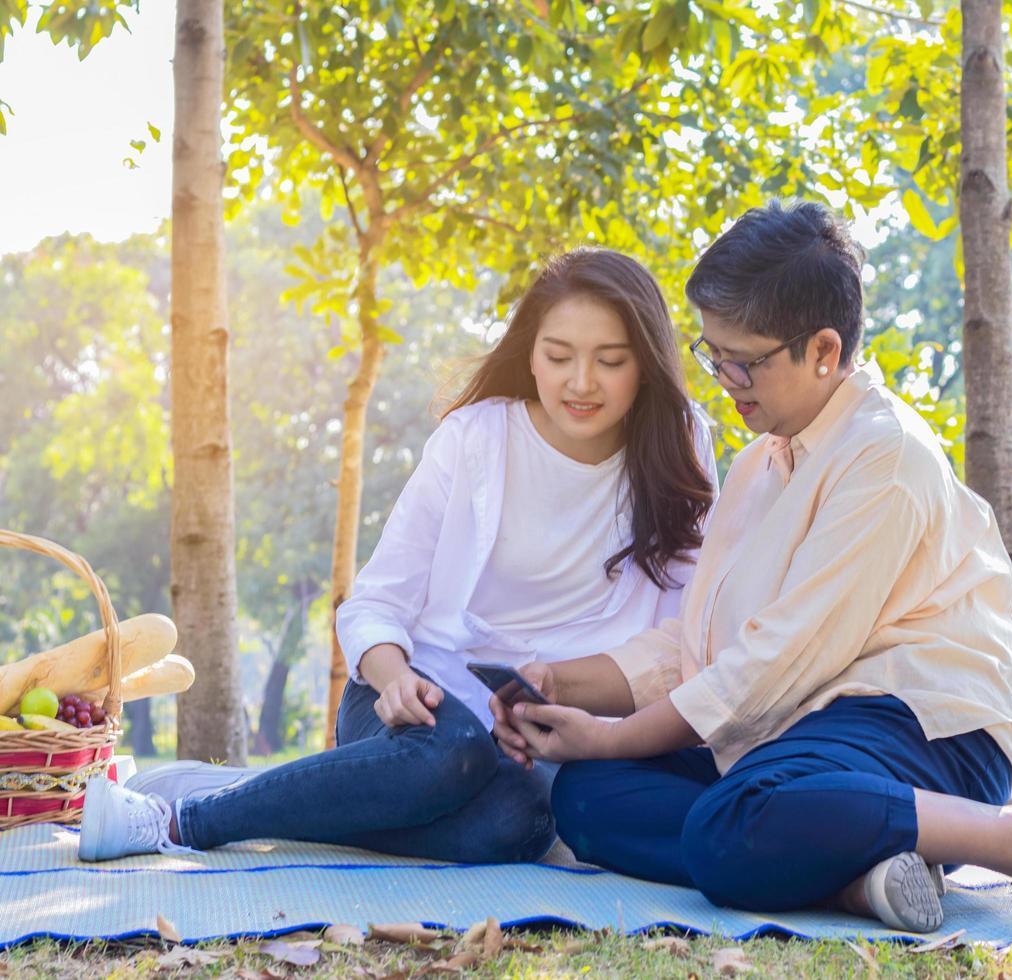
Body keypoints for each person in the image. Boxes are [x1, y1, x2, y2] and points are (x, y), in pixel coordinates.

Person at [491, 202, 1012, 935]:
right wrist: (565, 683)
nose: (723, 378)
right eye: (712, 353)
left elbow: (771, 664)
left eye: (742, 360)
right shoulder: (757, 465)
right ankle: (855, 876)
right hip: (792, 735)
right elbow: (702, 646)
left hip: (917, 725)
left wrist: (612, 732)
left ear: (821, 349)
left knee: (728, 824)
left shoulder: (884, 458)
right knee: (589, 794)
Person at [78, 248, 717, 864]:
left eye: (610, 361)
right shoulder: (477, 439)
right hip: (411, 709)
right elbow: (376, 603)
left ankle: (302, 800)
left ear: (647, 364)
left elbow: (682, 633)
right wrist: (393, 678)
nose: (581, 383)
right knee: (455, 751)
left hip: (547, 738)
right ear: (532, 355)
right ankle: (182, 819)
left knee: (519, 824)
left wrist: (574, 702)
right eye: (558, 357)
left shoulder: (679, 441)